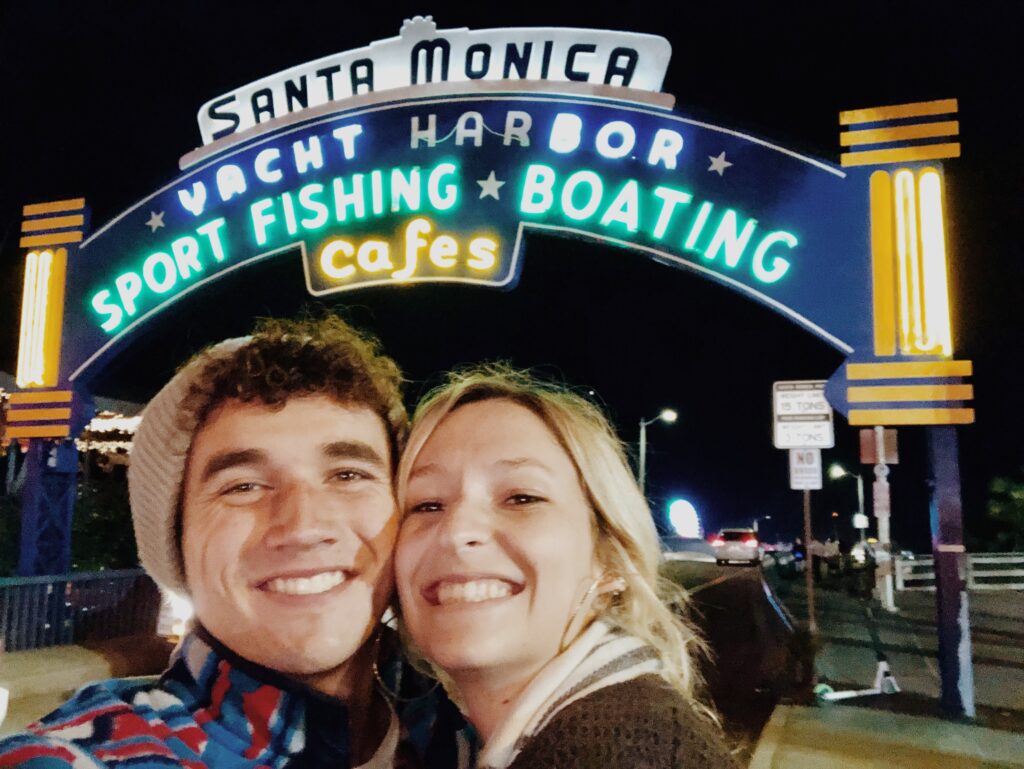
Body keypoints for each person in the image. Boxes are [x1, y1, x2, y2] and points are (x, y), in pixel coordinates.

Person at [0, 316, 460, 769]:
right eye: (243, 487)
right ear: (177, 541)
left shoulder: (477, 724)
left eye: (347, 475)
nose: (302, 526)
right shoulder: (77, 757)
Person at [394, 364, 738, 769]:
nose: (456, 531)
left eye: (521, 497)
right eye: (427, 504)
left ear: (609, 556)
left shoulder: (622, 752)